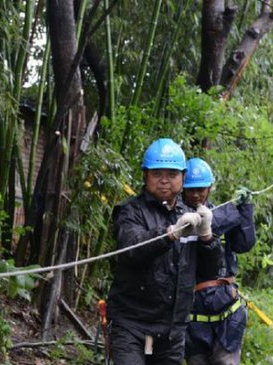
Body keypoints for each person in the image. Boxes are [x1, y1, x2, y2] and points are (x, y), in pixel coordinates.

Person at [106, 139, 222, 365]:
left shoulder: (191, 215)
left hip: (172, 331)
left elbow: (209, 274)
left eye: (172, 174)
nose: (164, 180)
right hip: (131, 324)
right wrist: (170, 234)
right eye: (157, 174)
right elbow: (131, 247)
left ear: (183, 177)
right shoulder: (130, 211)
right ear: (145, 176)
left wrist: (207, 237)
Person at [182, 158, 256, 365]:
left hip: (227, 316)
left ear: (209, 188)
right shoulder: (179, 220)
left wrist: (245, 210)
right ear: (182, 190)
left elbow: (244, 244)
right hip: (194, 320)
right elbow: (202, 226)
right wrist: (232, 211)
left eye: (200, 189)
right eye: (190, 190)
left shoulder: (222, 215)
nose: (196, 195)